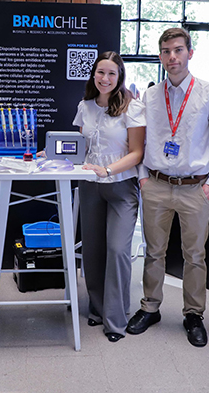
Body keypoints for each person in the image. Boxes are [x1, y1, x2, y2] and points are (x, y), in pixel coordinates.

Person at [126, 28, 209, 348]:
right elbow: (140, 142)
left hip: (195, 188)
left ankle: (194, 314)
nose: (172, 57)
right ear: (160, 56)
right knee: (153, 251)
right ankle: (150, 307)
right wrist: (143, 178)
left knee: (195, 255)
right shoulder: (150, 96)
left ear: (190, 53)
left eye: (178, 50)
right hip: (156, 184)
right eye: (166, 51)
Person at [73, 52, 145, 343]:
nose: (105, 78)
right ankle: (97, 308)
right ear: (94, 75)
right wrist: (51, 152)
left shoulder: (132, 107)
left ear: (120, 76)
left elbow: (137, 153)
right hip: (90, 185)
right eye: (100, 72)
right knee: (92, 250)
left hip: (121, 186)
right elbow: (82, 146)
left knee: (117, 250)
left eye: (111, 73)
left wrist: (107, 170)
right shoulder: (85, 107)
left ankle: (115, 320)